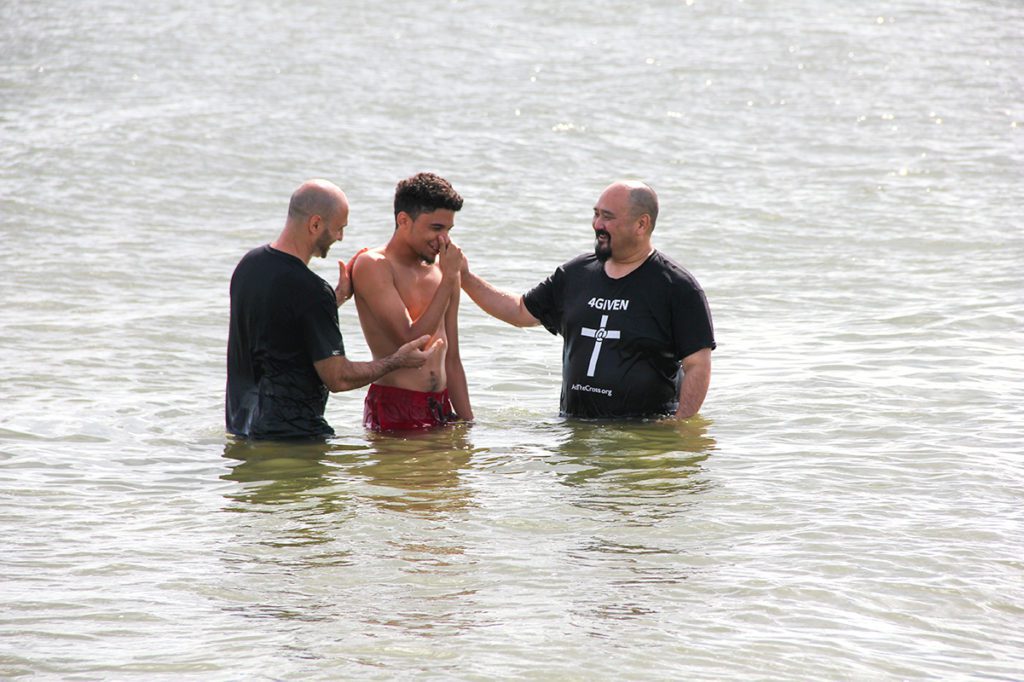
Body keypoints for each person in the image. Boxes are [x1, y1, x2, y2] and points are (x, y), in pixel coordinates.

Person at [460, 180, 715, 420]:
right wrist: (464, 277)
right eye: (596, 214)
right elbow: (518, 311)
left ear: (641, 224)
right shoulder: (576, 274)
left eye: (608, 217)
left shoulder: (677, 287)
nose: (597, 224)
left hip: (639, 433)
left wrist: (679, 425)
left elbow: (697, 365)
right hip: (574, 430)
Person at [226, 178, 440, 440]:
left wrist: (336, 298)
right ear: (315, 224)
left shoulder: (249, 266)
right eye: (339, 228)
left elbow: (280, 327)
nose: (340, 237)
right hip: (295, 436)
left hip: (243, 427)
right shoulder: (311, 291)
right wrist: (397, 360)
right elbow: (338, 378)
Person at [350, 172, 473, 431]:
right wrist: (450, 278)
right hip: (395, 405)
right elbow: (409, 339)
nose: (444, 240)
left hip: (441, 407)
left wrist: (468, 424)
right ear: (403, 220)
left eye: (448, 230)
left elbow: (452, 358)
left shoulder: (443, 269)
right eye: (436, 228)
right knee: (400, 474)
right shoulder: (374, 266)